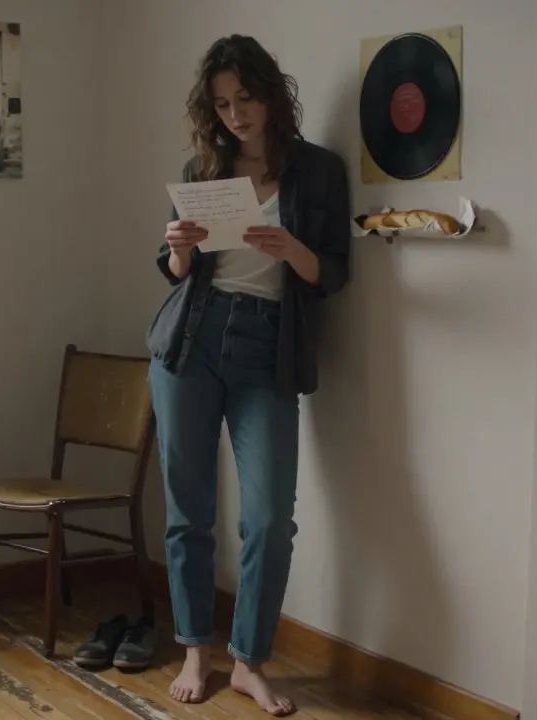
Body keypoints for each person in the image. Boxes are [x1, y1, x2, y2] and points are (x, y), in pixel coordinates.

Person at [145, 35, 351, 715]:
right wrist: (177, 249)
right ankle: (196, 651)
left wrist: (294, 248)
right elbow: (177, 273)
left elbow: (335, 273)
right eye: (223, 104)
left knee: (267, 520)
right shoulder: (203, 168)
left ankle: (248, 661)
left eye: (246, 98)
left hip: (269, 347)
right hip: (192, 343)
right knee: (190, 512)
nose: (235, 115)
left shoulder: (318, 172)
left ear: (270, 93)